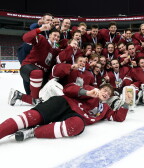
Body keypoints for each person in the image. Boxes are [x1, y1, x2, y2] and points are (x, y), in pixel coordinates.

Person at [0, 84, 130, 141]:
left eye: (109, 93)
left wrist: (126, 103)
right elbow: (68, 89)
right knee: (32, 117)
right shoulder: (91, 90)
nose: (106, 93)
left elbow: (118, 117)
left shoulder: (105, 109)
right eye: (105, 90)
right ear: (100, 89)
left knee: (78, 126)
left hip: (74, 116)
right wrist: (86, 92)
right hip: (62, 103)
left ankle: (33, 132)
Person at [9, 24, 61, 106]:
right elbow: (26, 38)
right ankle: (35, 100)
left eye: (58, 37)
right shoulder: (42, 39)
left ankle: (18, 95)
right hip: (28, 67)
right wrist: (39, 29)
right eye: (55, 35)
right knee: (37, 73)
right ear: (49, 35)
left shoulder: (55, 50)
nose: (56, 38)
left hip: (40, 76)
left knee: (45, 97)